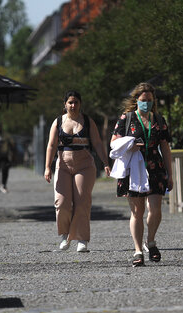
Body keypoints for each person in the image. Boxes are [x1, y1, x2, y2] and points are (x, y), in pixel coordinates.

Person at [110, 82, 173, 267]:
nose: (146, 103)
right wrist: (130, 144)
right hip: (133, 166)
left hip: (155, 166)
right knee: (137, 212)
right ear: (136, 100)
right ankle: (138, 250)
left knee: (155, 209)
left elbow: (165, 147)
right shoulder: (126, 118)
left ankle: (151, 241)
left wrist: (170, 173)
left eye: (149, 100)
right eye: (143, 100)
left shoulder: (159, 120)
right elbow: (114, 141)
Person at [44, 91, 111, 252]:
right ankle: (65, 235)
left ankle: (82, 239)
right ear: (65, 104)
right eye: (70, 102)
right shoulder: (58, 121)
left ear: (80, 104)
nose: (73, 105)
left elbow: (97, 143)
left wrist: (106, 163)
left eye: (76, 102)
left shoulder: (88, 121)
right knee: (61, 202)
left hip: (84, 166)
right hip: (64, 166)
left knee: (82, 202)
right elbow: (51, 145)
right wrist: (47, 167)